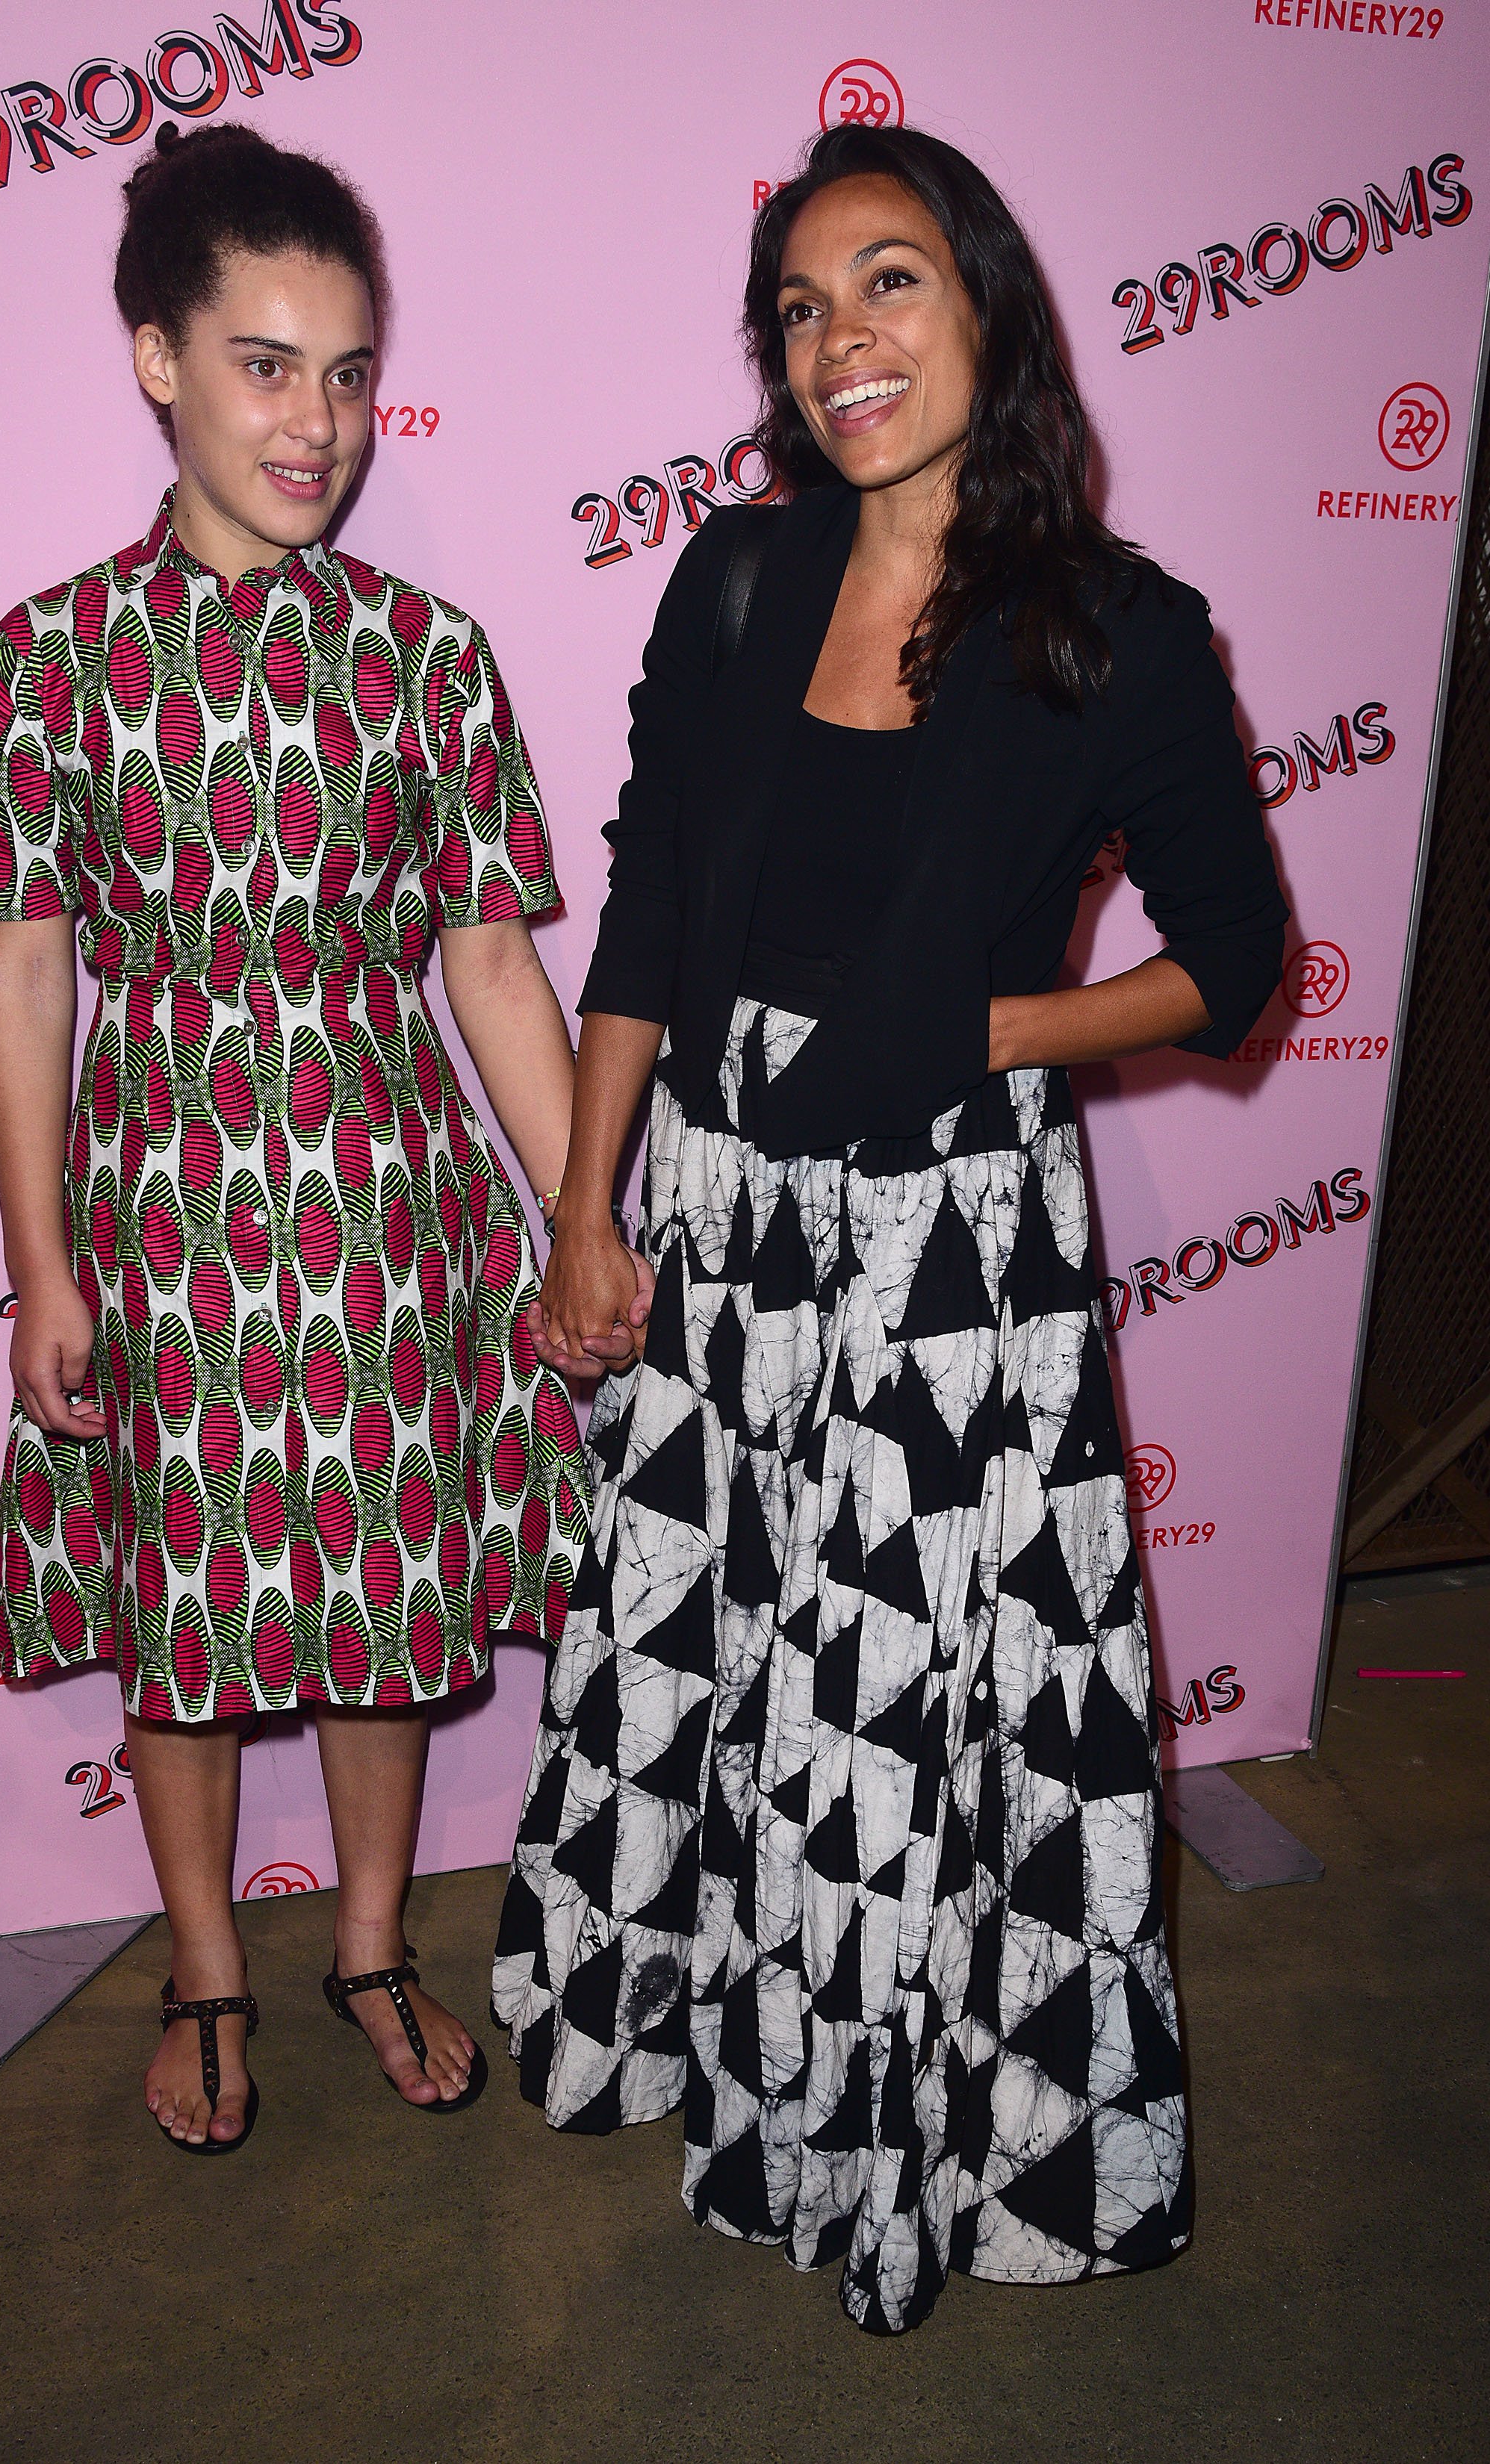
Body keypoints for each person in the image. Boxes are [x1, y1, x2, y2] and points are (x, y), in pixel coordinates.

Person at [494, 123, 1288, 2330]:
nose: (840, 342)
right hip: (725, 1220)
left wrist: (994, 1022)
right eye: (800, 308)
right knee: (737, 1663)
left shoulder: (1122, 632)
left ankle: (906, 2147)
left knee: (913, 1718)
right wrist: (589, 1207)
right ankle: (733, 2068)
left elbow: (1234, 960)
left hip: (955, 1257)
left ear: (988, 300)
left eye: (889, 283)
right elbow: (646, 911)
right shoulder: (735, 585)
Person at [0, 122, 612, 2149]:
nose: (317, 421)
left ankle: (371, 1941)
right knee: (185, 1605)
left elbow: (491, 964)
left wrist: (586, 1212)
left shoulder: (427, 657)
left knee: (386, 1592)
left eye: (344, 372)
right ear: (156, 356)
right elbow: (30, 980)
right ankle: (207, 1959)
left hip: (392, 1198)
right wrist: (46, 1258)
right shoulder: (47, 657)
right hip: (161, 1207)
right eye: (264, 363)